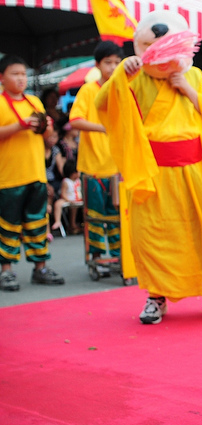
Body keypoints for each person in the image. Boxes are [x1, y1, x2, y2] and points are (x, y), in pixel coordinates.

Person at [95, 10, 202, 324]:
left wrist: (189, 89)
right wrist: (119, 76)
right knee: (155, 236)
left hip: (197, 170)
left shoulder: (193, 75)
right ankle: (156, 297)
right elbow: (104, 105)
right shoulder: (135, 76)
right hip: (153, 173)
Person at [0, 55, 65, 291]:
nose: (20, 78)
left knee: (38, 223)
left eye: (23, 74)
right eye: (15, 74)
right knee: (9, 225)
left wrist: (46, 129)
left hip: (36, 173)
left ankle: (41, 268)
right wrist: (20, 125)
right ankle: (6, 271)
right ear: (2, 78)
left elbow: (49, 141)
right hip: (8, 177)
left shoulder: (35, 103)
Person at [69, 40, 123, 261]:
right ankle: (98, 257)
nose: (112, 67)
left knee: (118, 215)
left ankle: (122, 257)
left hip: (118, 166)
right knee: (95, 216)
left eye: (117, 62)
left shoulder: (123, 90)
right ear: (98, 65)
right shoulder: (88, 90)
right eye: (108, 62)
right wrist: (103, 127)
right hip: (93, 167)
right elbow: (75, 120)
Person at [51, 160, 83, 234]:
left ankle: (73, 224)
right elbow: (63, 193)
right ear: (72, 173)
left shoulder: (78, 181)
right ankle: (57, 221)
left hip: (77, 199)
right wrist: (68, 200)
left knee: (75, 208)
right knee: (58, 204)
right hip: (67, 199)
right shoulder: (66, 181)